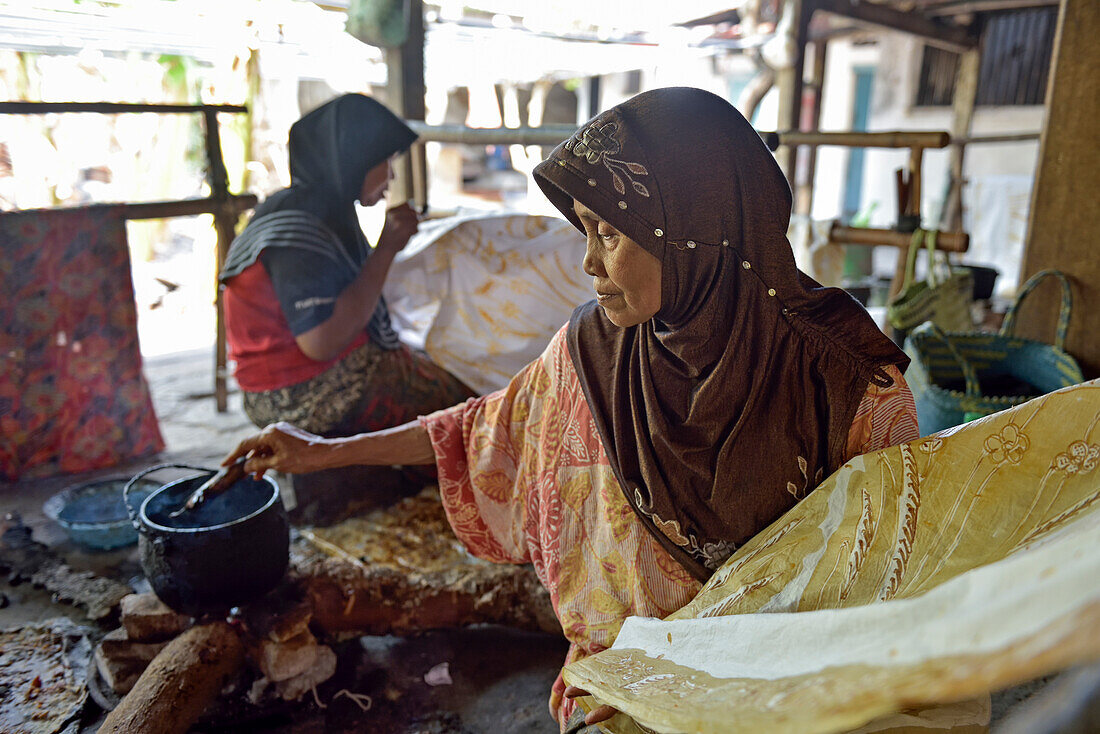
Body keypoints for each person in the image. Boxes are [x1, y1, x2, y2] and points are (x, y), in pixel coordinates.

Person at [223, 87, 919, 731]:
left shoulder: (848, 387)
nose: (587, 263)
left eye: (609, 234)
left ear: (698, 229)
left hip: (784, 705)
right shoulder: (596, 350)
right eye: (583, 230)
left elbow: (886, 597)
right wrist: (319, 451)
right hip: (619, 692)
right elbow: (478, 427)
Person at [220, 94, 474, 519]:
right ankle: (432, 491)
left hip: (284, 377)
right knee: (464, 403)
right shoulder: (299, 228)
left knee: (438, 364)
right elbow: (321, 342)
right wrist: (387, 248)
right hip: (297, 390)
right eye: (385, 160)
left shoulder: (311, 208)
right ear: (353, 159)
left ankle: (396, 477)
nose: (391, 175)